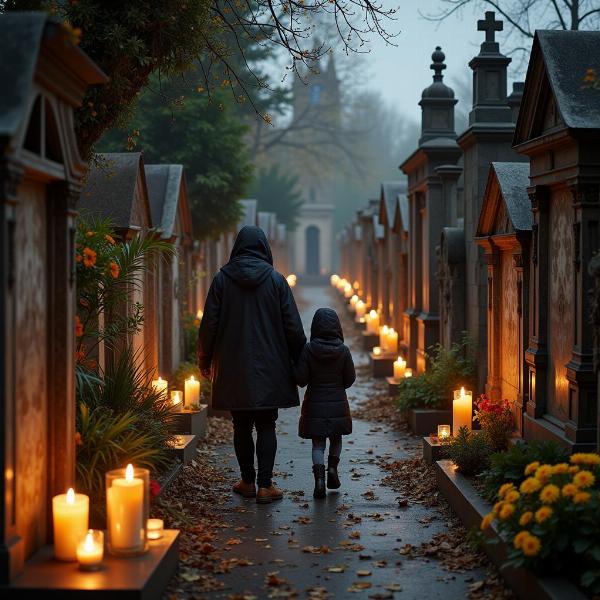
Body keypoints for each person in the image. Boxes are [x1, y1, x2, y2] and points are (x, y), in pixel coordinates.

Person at [198, 226, 306, 504]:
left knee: (241, 425)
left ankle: (247, 480)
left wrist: (205, 360)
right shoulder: (276, 280)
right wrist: (300, 361)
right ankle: (265, 485)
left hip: (233, 367)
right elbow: (293, 327)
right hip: (271, 366)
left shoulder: (222, 279)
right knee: (267, 424)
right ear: (264, 249)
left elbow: (208, 324)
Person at [294, 307, 355, 499]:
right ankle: (332, 469)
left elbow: (301, 379)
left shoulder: (309, 350)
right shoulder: (343, 351)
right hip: (338, 403)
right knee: (336, 438)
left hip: (315, 403)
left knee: (318, 444)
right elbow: (350, 379)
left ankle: (319, 480)